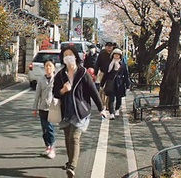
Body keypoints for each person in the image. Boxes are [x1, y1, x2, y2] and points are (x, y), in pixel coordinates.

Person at [53, 44, 106, 178]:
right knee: (67, 138)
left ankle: (72, 166)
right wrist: (63, 90)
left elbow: (93, 92)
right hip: (66, 111)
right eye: (65, 55)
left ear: (76, 57)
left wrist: (101, 108)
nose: (68, 57)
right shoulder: (60, 75)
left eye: (70, 55)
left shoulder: (83, 73)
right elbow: (55, 93)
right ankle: (70, 161)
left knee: (74, 137)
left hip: (81, 111)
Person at [33, 58, 57, 159]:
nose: (48, 68)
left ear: (54, 68)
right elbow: (37, 94)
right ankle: (47, 146)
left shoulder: (57, 79)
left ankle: (52, 148)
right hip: (43, 107)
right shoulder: (41, 80)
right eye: (46, 66)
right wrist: (35, 108)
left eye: (50, 66)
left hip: (53, 108)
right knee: (45, 129)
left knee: (50, 128)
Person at [100, 48, 130, 119]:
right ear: (112, 55)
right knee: (111, 98)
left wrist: (128, 85)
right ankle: (111, 113)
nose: (116, 56)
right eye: (115, 55)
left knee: (119, 98)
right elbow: (105, 75)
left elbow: (126, 75)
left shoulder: (122, 64)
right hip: (111, 83)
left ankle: (117, 109)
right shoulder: (109, 64)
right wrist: (102, 84)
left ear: (120, 56)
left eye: (118, 55)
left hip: (120, 83)